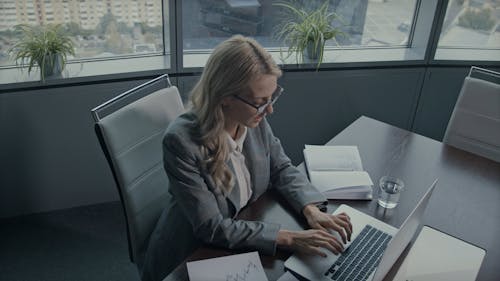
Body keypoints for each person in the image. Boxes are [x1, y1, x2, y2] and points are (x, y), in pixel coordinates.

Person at [141, 35, 352, 281]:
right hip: (191, 254)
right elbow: (212, 228)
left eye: (272, 97)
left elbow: (281, 168)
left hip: (245, 228)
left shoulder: (253, 118)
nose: (269, 109)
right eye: (260, 102)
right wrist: (289, 238)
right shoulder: (181, 141)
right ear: (225, 97)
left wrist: (310, 208)